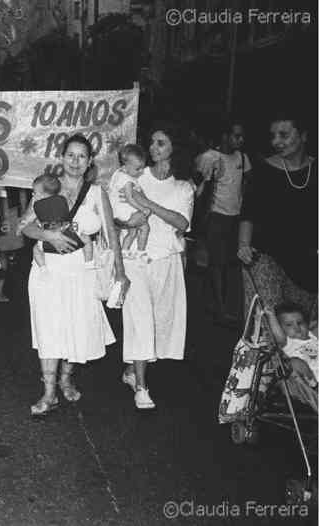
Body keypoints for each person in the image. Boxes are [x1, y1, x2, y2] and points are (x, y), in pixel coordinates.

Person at [22, 134, 127, 415]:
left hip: (82, 269)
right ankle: (49, 392)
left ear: (90, 161)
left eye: (82, 156)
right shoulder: (48, 187)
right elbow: (24, 227)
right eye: (71, 155)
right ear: (62, 157)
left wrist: (121, 272)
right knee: (49, 328)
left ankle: (66, 379)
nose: (76, 161)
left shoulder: (96, 193)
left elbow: (110, 234)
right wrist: (49, 235)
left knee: (76, 327)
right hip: (48, 270)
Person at [117, 123, 194, 410]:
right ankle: (141, 386)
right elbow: (119, 212)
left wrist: (148, 204)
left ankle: (130, 370)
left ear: (175, 148)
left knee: (160, 323)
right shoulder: (137, 176)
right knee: (139, 321)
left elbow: (182, 223)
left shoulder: (184, 186)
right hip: (136, 258)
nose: (152, 148)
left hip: (167, 261)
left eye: (160, 143)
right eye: (152, 142)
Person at [237, 113, 317, 323]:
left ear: (303, 135)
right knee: (267, 324)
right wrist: (243, 245)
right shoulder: (263, 170)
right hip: (264, 256)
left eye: (283, 135)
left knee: (299, 329)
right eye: (273, 136)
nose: (276, 142)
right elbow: (248, 212)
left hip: (306, 263)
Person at [197, 122, 251, 325]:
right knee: (217, 263)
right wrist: (209, 179)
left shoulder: (243, 158)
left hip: (236, 218)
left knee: (225, 263)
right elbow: (197, 186)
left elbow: (247, 183)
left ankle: (209, 301)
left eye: (242, 136)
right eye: (236, 136)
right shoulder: (210, 157)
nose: (240, 140)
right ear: (225, 136)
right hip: (216, 216)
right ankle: (221, 309)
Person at [30, 173, 95, 272]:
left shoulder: (36, 207)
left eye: (34, 192)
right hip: (69, 237)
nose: (32, 195)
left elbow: (39, 223)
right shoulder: (62, 200)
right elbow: (69, 216)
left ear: (42, 194)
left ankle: (43, 267)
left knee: (36, 249)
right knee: (86, 239)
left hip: (48, 242)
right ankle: (89, 263)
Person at [264, 302, 318, 410]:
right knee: (295, 363)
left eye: (300, 323)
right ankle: (315, 386)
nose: (297, 328)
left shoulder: (312, 336)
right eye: (289, 325)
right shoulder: (289, 342)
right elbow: (278, 336)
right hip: (312, 382)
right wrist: (271, 316)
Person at [108, 144, 150, 259]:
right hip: (124, 212)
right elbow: (130, 199)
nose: (141, 171)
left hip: (117, 212)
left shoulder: (118, 174)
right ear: (125, 167)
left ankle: (124, 251)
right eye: (138, 169)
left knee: (133, 232)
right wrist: (143, 209)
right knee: (145, 227)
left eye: (142, 167)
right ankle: (141, 251)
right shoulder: (127, 180)